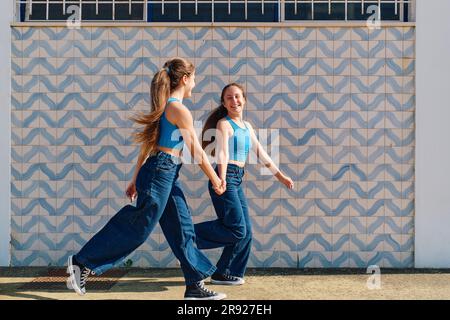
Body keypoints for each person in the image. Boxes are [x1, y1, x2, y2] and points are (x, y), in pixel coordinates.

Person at [66, 57, 227, 300]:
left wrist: (134, 178)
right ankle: (81, 262)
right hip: (161, 172)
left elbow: (148, 146)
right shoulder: (177, 108)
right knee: (139, 227)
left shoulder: (167, 107)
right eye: (194, 79)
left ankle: (194, 285)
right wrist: (215, 179)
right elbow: (195, 149)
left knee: (182, 228)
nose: (195, 83)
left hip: (166, 173)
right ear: (184, 79)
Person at [195, 83, 294, 285]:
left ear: (244, 99)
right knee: (237, 229)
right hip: (226, 177)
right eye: (229, 98)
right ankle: (187, 235)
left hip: (237, 178)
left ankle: (225, 272)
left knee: (245, 231)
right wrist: (221, 178)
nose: (234, 101)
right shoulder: (224, 124)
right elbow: (222, 152)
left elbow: (262, 154)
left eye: (237, 96)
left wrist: (281, 176)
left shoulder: (247, 126)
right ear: (223, 103)